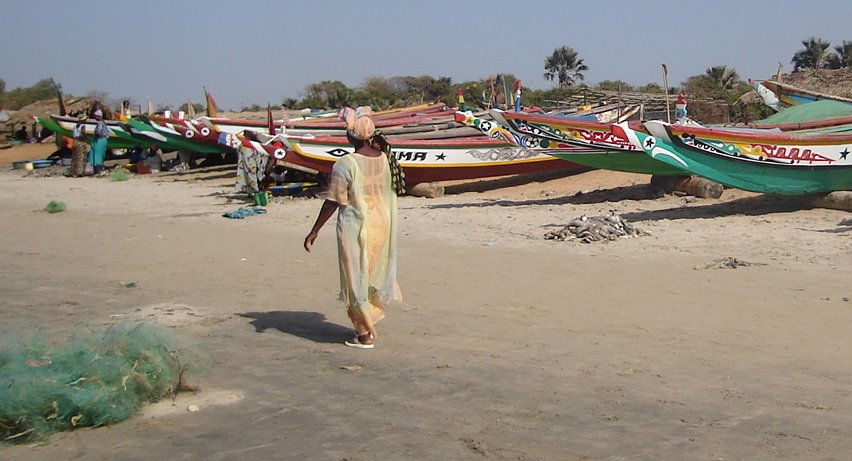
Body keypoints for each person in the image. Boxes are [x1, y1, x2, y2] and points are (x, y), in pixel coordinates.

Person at [303, 106, 402, 349]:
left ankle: (364, 335)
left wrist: (314, 230)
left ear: (350, 136)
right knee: (370, 275)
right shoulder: (383, 158)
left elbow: (334, 200)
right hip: (381, 225)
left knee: (355, 278)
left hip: (356, 227)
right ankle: (368, 322)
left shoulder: (346, 164)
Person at [88, 109, 109, 174]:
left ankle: (98, 170)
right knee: (98, 154)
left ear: (99, 116)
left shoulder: (100, 123)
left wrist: (98, 134)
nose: (95, 117)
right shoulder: (102, 123)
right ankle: (97, 170)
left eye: (96, 116)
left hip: (99, 141)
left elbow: (99, 131)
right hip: (100, 140)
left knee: (97, 155)